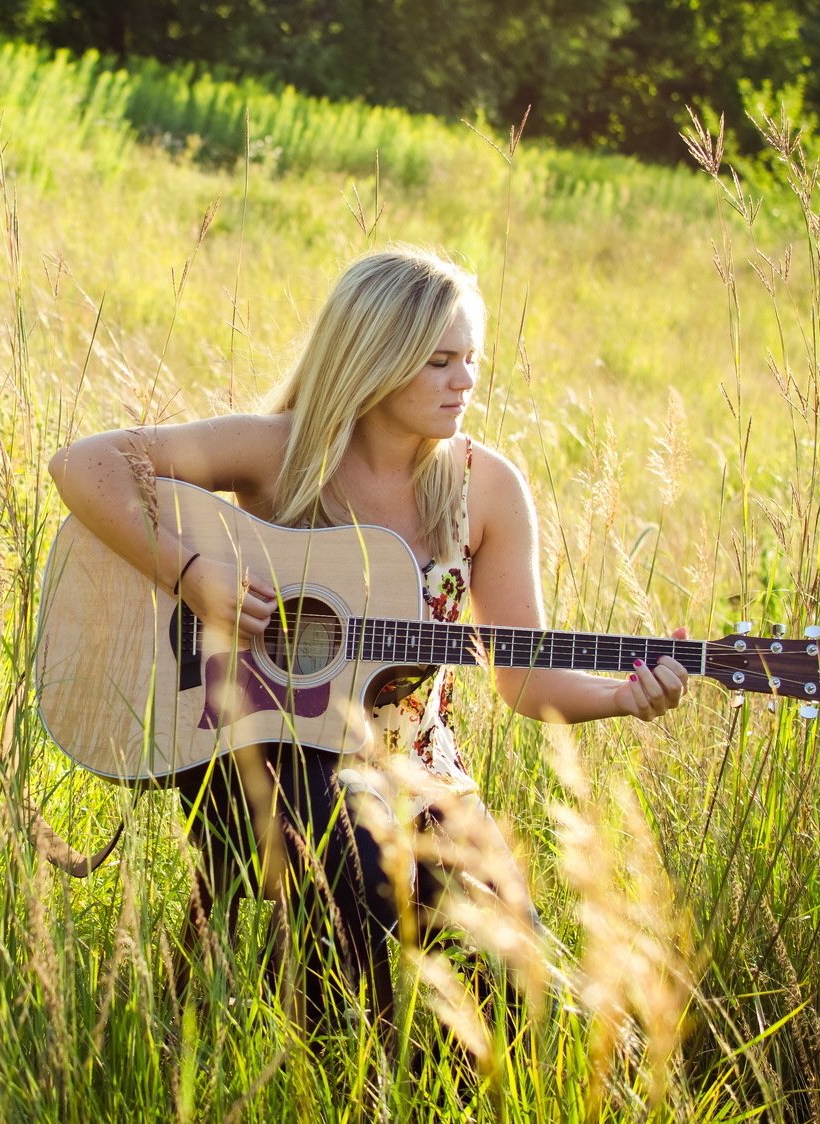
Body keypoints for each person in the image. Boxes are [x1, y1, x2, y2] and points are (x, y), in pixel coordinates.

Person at [45, 245, 691, 1037]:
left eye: (471, 360)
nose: (465, 381)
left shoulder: (485, 488)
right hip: (252, 749)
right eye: (440, 361)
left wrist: (622, 697)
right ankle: (341, 1072)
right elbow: (85, 464)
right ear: (376, 360)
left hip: (417, 769)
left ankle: (441, 1087)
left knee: (510, 956)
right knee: (348, 860)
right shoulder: (280, 451)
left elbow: (524, 681)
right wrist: (191, 576)